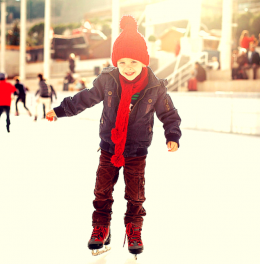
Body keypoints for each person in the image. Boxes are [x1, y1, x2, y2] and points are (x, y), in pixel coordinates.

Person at [46, 15, 181, 258]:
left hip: (137, 151)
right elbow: (83, 99)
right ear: (115, 62)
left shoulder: (155, 87)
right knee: (102, 191)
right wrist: (59, 111)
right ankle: (101, 229)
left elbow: (169, 114)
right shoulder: (107, 80)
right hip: (109, 147)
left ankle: (133, 230)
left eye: (134, 61)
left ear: (144, 61)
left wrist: (172, 135)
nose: (128, 67)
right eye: (122, 62)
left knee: (135, 194)